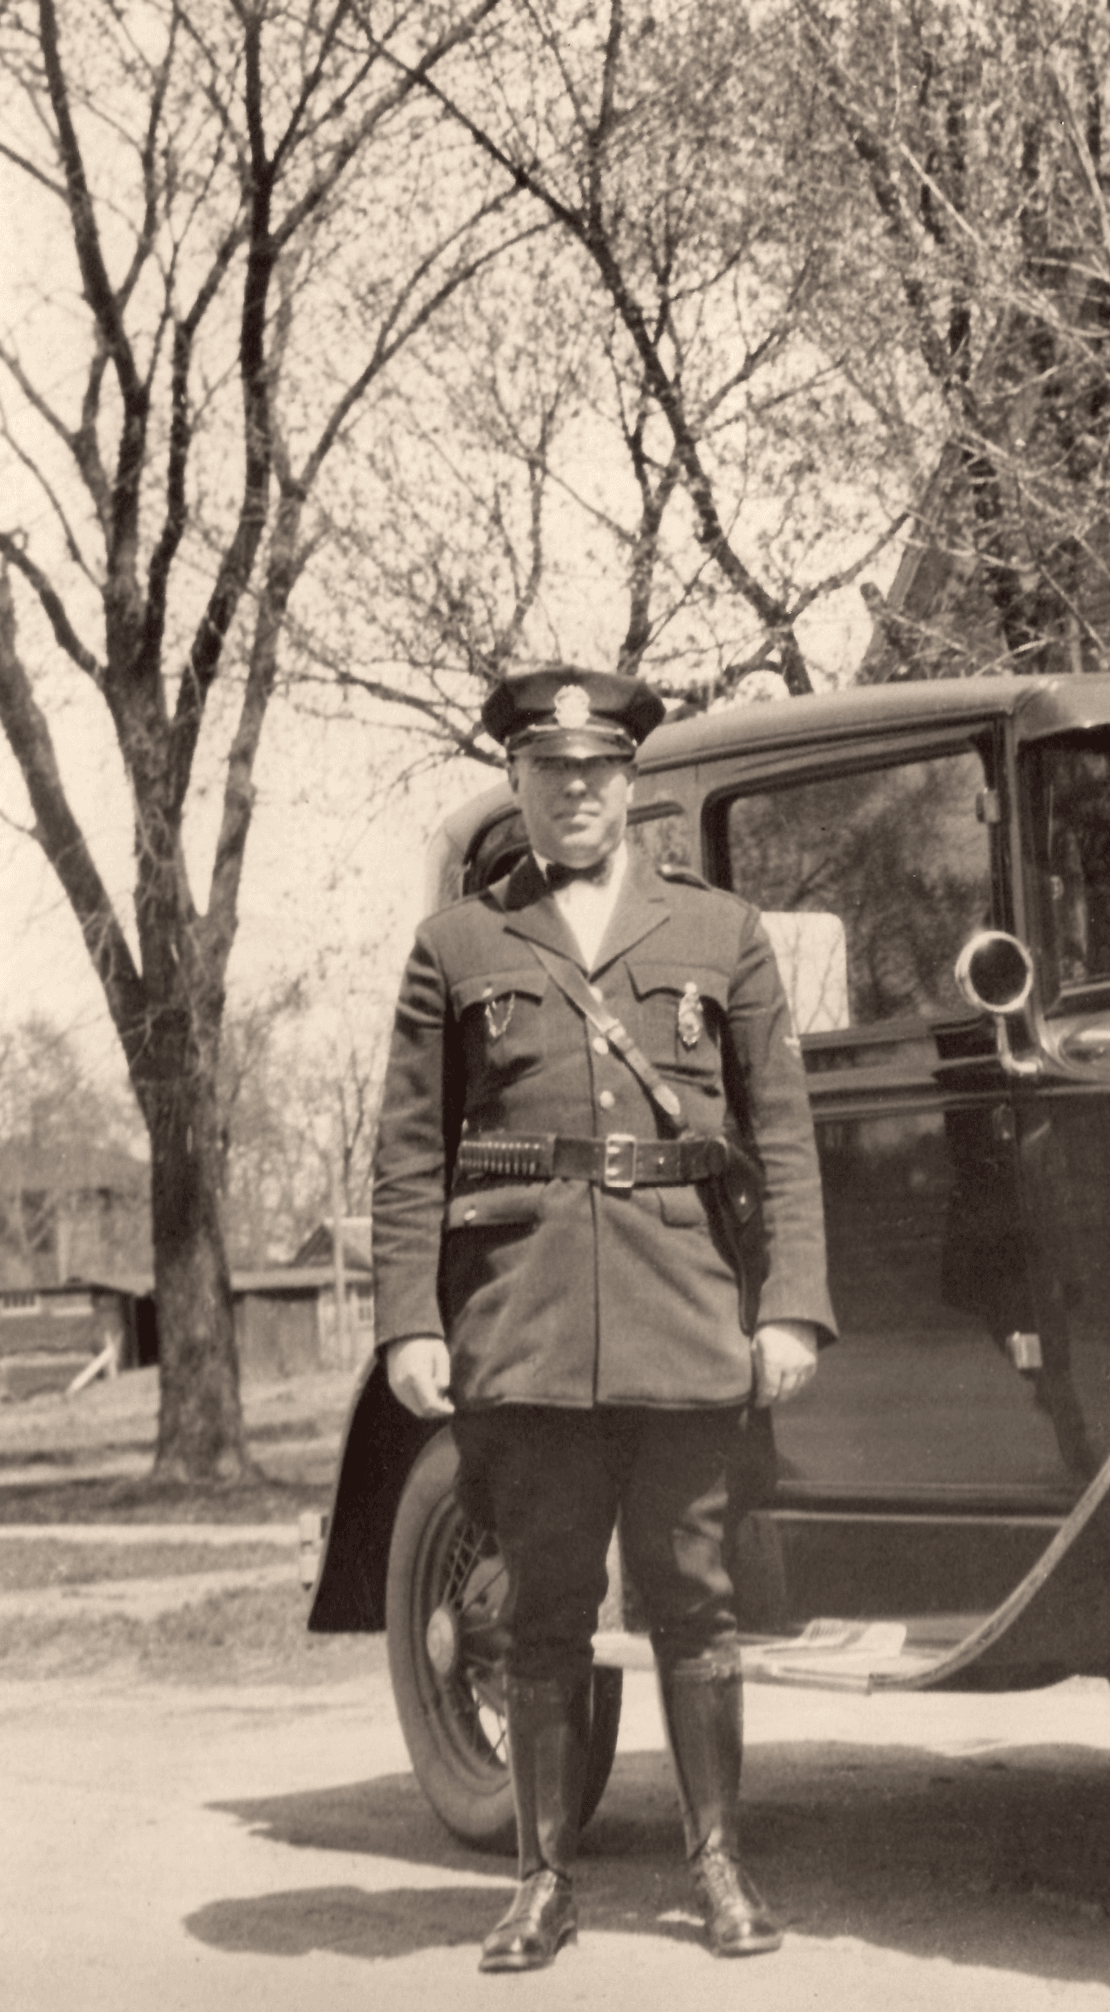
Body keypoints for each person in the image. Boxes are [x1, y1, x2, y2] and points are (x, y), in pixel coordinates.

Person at [371, 668, 836, 1973]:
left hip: (683, 1309)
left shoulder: (720, 932)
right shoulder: (458, 946)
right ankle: (540, 1880)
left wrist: (790, 1306)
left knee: (695, 1599)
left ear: (630, 783)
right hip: (522, 1319)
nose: (575, 795)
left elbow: (782, 1139)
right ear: (516, 782)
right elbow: (408, 1153)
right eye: (549, 773)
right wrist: (411, 1316)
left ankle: (720, 1864)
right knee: (544, 1612)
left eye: (597, 774)